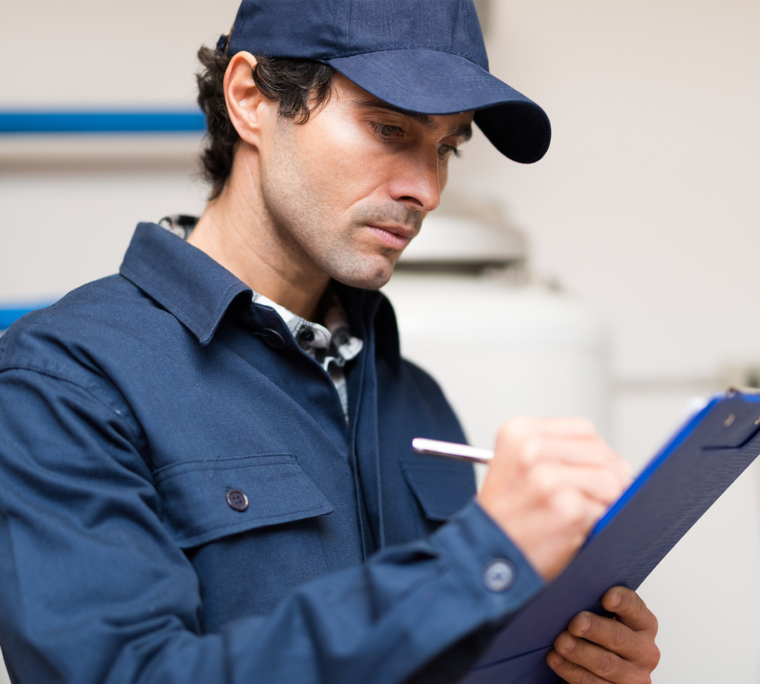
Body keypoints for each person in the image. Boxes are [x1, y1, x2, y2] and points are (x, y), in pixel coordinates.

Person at [0, 1, 660, 682]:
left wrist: (561, 666)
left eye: (445, 147)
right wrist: (475, 562)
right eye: (387, 128)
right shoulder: (68, 381)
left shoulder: (414, 397)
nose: (426, 189)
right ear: (250, 97)